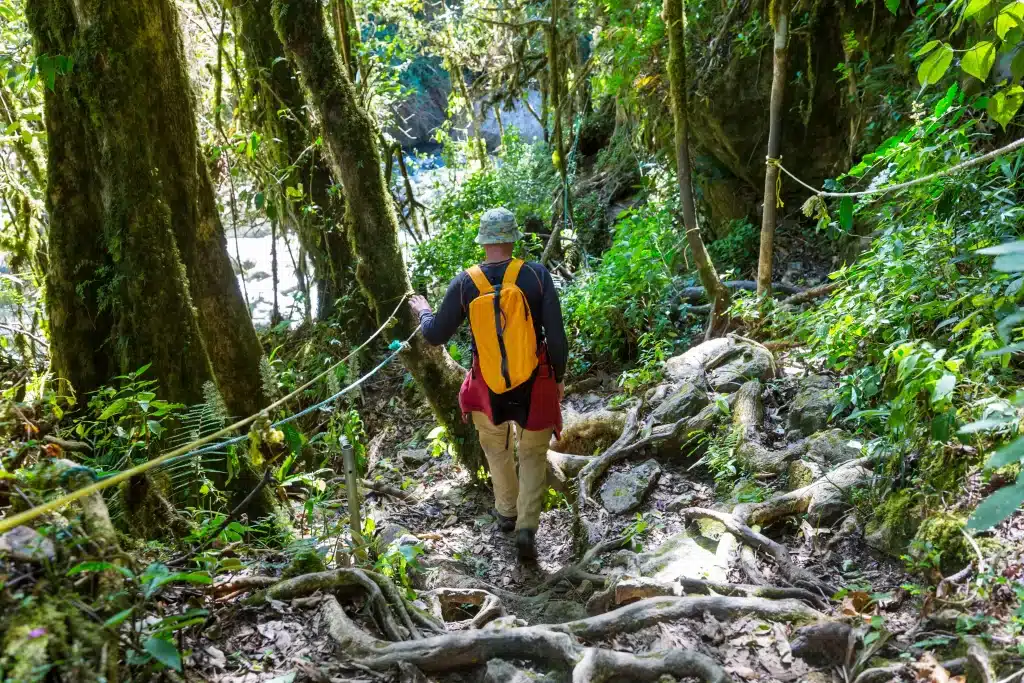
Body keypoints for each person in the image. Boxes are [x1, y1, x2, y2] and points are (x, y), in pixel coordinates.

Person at [410, 207, 567, 561]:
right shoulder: (536, 276)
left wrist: (422, 310)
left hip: (487, 385)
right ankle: (527, 527)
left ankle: (506, 513)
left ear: (483, 241)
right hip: (535, 380)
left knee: (497, 450)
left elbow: (435, 335)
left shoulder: (466, 283)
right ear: (512, 238)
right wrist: (558, 377)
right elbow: (556, 336)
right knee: (531, 453)